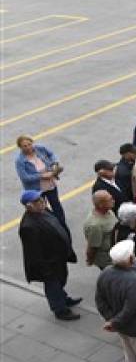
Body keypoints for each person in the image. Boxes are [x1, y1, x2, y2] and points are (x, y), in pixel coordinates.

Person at [18, 190, 81, 320]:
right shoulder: (28, 226)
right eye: (38, 201)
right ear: (29, 206)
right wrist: (46, 271)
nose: (42, 202)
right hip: (49, 264)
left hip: (58, 258)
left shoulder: (43, 211)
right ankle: (60, 309)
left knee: (60, 281)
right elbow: (34, 253)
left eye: (42, 199)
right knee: (53, 285)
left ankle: (63, 299)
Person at [15, 135, 67, 226]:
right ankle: (47, 225)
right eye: (24, 146)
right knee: (41, 209)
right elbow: (25, 177)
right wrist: (42, 176)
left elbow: (52, 154)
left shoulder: (40, 148)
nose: (28, 147)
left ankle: (61, 224)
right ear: (20, 147)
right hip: (36, 189)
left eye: (29, 144)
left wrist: (55, 163)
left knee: (56, 204)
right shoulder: (20, 160)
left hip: (50, 184)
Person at [84, 190, 118, 270]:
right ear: (101, 205)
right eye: (110, 200)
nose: (113, 201)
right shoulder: (95, 225)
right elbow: (93, 246)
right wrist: (90, 259)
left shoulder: (108, 211)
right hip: (107, 260)